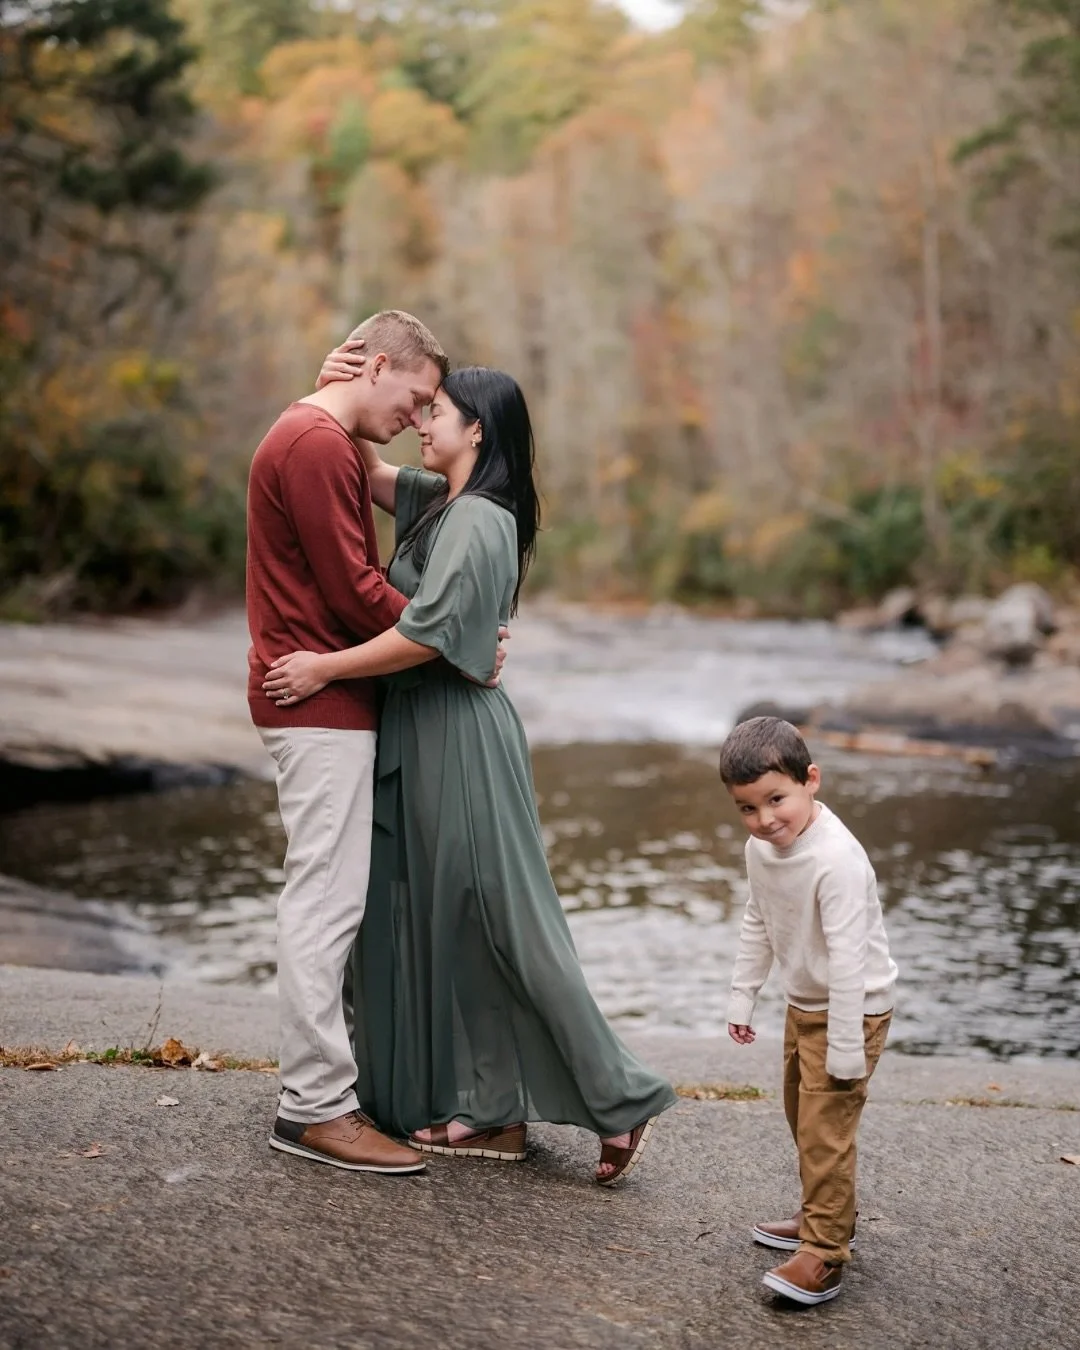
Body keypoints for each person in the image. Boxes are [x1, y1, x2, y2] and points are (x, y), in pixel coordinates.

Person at [263, 363, 677, 1184]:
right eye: (419, 404)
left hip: (459, 738)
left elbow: (426, 634)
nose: (422, 418)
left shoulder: (483, 519)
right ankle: (492, 1112)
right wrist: (331, 385)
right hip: (417, 733)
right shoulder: (437, 501)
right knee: (444, 926)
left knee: (500, 918)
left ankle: (619, 1102)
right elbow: (355, 461)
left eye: (438, 410)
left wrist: (323, 669)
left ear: (478, 429)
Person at [246, 309, 451, 1175]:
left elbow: (362, 550)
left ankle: (323, 1093)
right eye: (418, 394)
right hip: (315, 708)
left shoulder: (318, 434)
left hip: (322, 701)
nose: (418, 415)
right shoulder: (316, 444)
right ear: (374, 367)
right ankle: (316, 1107)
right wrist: (454, 634)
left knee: (327, 900)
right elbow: (355, 588)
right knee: (324, 907)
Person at [720, 716, 897, 1306]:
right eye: (748, 808)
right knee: (805, 1118)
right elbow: (759, 920)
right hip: (805, 1005)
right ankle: (825, 1216)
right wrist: (744, 995)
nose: (766, 820)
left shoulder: (837, 861)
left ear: (811, 780)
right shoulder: (761, 849)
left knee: (826, 1130)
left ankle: (823, 1254)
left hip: (853, 1010)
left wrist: (846, 1048)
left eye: (777, 799)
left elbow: (848, 962)